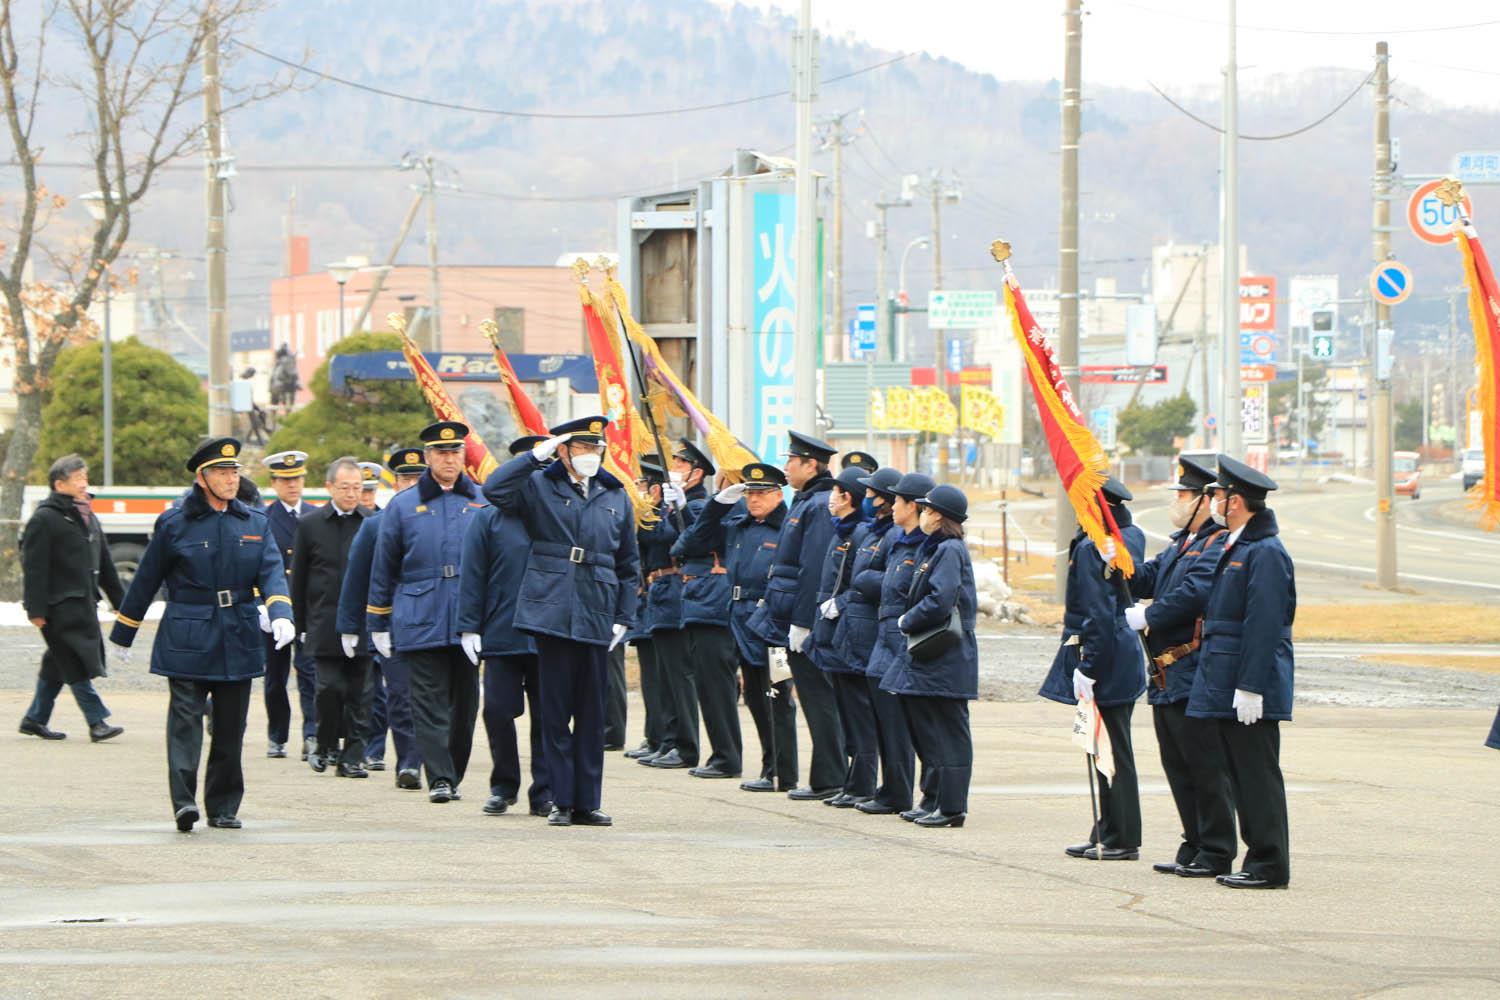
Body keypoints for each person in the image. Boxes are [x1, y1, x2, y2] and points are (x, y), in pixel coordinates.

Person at [108, 437, 295, 832]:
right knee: (185, 726)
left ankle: (223, 805)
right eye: (223, 472)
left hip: (238, 633)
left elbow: (272, 572)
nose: (231, 479)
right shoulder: (175, 523)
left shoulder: (254, 523)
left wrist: (281, 613)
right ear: (202, 478)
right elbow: (146, 579)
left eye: (234, 472)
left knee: (231, 728)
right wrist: (124, 632)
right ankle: (184, 803)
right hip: (188, 631)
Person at [482, 416, 641, 828]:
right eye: (582, 448)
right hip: (550, 608)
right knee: (553, 712)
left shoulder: (614, 494)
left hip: (597, 608)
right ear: (565, 451)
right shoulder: (539, 486)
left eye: (596, 448)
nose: (591, 456)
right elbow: (494, 489)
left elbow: (628, 562)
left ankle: (588, 802)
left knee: (591, 712)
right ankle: (560, 800)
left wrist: (625, 615)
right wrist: (536, 456)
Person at [1187, 455, 1295, 890]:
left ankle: (1270, 862)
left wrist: (1251, 686)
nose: (1212, 500)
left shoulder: (1266, 553)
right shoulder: (1239, 545)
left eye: (1217, 493)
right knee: (1241, 773)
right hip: (1226, 678)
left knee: (1257, 775)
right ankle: (1258, 858)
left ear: (1236, 501)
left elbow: (1264, 624)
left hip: (1251, 684)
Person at [1124, 457, 1236, 878]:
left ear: (1207, 500)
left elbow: (1196, 593)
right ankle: (1194, 841)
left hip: (1192, 669)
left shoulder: (1217, 544)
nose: (1178, 501)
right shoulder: (1181, 544)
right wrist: (1116, 558)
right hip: (1166, 674)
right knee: (1177, 764)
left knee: (1204, 765)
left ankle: (1217, 848)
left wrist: (1150, 617)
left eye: (1185, 495)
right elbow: (1146, 579)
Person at [368, 421, 486, 804]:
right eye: (441, 453)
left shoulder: (482, 501)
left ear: (464, 456)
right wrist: (378, 621)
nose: (449, 459)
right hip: (419, 612)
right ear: (429, 458)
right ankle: (439, 778)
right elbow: (383, 566)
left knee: (465, 704)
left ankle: (453, 769)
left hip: (469, 617)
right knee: (428, 702)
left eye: (455, 453)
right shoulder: (403, 505)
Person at [1039, 477, 1147, 861]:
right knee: (1104, 747)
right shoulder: (1126, 537)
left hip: (1106, 657)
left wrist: (1088, 667)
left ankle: (1122, 836)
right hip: (1121, 654)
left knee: (1111, 751)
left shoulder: (1094, 547)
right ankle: (1107, 829)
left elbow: (1098, 615)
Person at [678, 463, 798, 792]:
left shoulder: (788, 526)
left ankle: (783, 772)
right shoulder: (739, 524)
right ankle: (768, 766)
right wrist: (720, 502)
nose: (754, 500)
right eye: (750, 493)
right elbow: (698, 539)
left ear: (778, 494)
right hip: (739, 618)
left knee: (779, 695)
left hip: (773, 621)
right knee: (755, 696)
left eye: (761, 494)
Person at [748, 431, 846, 801]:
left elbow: (813, 570)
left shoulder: (819, 505)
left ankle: (829, 778)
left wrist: (803, 623)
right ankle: (813, 775)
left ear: (811, 464)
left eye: (792, 460)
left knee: (818, 700)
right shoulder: (806, 501)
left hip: (801, 622)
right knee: (799, 696)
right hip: (781, 620)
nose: (786, 466)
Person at [459, 435, 552, 819]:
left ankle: (544, 791)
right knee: (497, 711)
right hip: (503, 631)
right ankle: (504, 785)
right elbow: (473, 574)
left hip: (548, 633)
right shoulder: (489, 518)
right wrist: (469, 626)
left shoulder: (559, 517)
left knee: (549, 716)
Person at [885, 485, 979, 828]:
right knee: (928, 730)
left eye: (926, 510)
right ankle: (933, 798)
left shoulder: (950, 550)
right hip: (931, 653)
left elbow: (940, 600)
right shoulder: (935, 549)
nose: (921, 514)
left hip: (947, 652)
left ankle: (952, 806)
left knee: (948, 731)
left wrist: (906, 620)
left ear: (937, 515)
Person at [19, 454, 125, 743]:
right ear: (59, 484)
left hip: (83, 605)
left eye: (85, 477)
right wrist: (35, 609)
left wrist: (121, 603)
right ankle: (97, 721)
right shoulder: (44, 519)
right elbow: (34, 569)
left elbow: (105, 565)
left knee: (58, 661)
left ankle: (34, 719)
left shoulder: (87, 517)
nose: (84, 484)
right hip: (56, 608)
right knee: (75, 660)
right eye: (78, 479)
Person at [338, 447, 426, 789]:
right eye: (404, 478)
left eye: (417, 478)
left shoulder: (447, 519)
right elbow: (356, 579)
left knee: (441, 701)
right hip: (393, 624)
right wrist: (349, 626)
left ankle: (442, 764)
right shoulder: (376, 526)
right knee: (401, 697)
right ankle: (409, 763)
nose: (411, 485)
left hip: (437, 623)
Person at [837, 467, 911, 816]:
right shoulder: (872, 533)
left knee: (892, 722)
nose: (868, 499)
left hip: (882, 630)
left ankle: (897, 791)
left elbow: (894, 580)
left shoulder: (896, 534)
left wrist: (865, 578)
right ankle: (885, 788)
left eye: (874, 494)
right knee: (878, 721)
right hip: (865, 630)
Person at [292, 457, 372, 777]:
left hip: (363, 621)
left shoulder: (372, 521)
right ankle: (325, 744)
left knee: (361, 693)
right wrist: (298, 624)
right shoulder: (310, 524)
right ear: (330, 488)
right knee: (329, 688)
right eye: (345, 487)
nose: (352, 494)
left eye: (357, 488)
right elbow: (297, 579)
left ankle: (353, 756)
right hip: (324, 623)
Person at [669, 439, 742, 779]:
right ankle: (722, 755)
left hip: (713, 603)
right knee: (709, 687)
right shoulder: (718, 508)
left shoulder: (724, 510)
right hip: (704, 603)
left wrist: (687, 510)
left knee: (717, 687)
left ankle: (727, 756)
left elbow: (686, 543)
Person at [863, 472, 934, 820]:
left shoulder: (926, 545)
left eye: (899, 501)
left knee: (905, 723)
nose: (892, 506)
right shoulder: (898, 540)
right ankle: (890, 789)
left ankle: (910, 793)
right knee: (884, 720)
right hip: (883, 635)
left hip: (904, 637)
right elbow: (867, 576)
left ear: (915, 506)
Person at [812, 467, 873, 806]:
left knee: (859, 712)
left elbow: (861, 583)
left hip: (851, 633)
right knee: (847, 712)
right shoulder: (841, 532)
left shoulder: (860, 533)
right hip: (834, 633)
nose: (830, 500)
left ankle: (863, 783)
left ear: (847, 497)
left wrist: (841, 603)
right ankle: (853, 782)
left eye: (835, 492)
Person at [634, 459, 697, 771]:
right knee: (663, 675)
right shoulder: (660, 511)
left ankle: (681, 741)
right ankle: (666, 738)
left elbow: (662, 537)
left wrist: (662, 508)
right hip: (658, 591)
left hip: (673, 589)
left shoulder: (682, 511)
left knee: (678, 676)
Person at [261, 450, 317, 761]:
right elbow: (258, 566)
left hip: (307, 610)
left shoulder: (315, 515)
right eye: (285, 480)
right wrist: (261, 604)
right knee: (276, 678)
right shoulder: (264, 519)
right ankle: (277, 735)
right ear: (274, 483)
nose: (292, 485)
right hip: (277, 609)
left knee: (309, 673)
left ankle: (311, 733)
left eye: (296, 479)